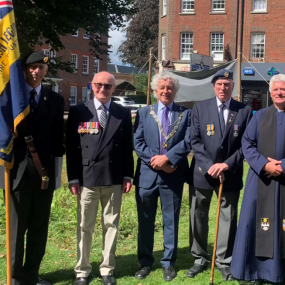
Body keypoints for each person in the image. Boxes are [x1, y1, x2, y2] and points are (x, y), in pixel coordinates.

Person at [230, 74, 285, 283]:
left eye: (283, 89)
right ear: (270, 93)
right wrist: (264, 165)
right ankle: (253, 270)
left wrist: (284, 166)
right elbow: (247, 144)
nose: (279, 93)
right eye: (275, 89)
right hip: (260, 180)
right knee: (256, 222)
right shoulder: (258, 117)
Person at [0, 52, 64, 285]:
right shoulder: (8, 99)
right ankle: (15, 277)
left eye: (41, 68)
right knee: (17, 228)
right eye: (32, 67)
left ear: (46, 72)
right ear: (24, 70)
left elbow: (59, 141)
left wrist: (56, 176)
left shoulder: (55, 100)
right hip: (15, 172)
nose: (36, 71)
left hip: (43, 173)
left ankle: (32, 274)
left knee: (39, 226)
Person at [66, 71, 134, 285]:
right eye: (98, 85)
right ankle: (82, 270)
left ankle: (107, 269)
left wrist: (127, 175)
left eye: (107, 86)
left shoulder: (122, 112)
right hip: (86, 179)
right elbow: (72, 148)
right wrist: (73, 178)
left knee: (111, 224)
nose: (102, 89)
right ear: (91, 86)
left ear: (114, 89)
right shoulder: (78, 111)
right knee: (85, 226)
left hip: (113, 177)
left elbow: (126, 148)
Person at [188, 69, 252, 281]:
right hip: (203, 173)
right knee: (198, 215)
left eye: (227, 84)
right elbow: (195, 141)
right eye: (219, 84)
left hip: (230, 173)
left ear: (233, 86)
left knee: (228, 217)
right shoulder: (200, 108)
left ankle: (224, 260)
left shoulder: (244, 111)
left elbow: (247, 143)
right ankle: (200, 258)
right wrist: (210, 166)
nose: (223, 88)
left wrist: (226, 165)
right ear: (213, 86)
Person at [133, 71, 191, 281]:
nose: (166, 91)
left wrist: (168, 160)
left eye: (170, 88)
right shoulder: (143, 113)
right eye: (162, 88)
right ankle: (145, 262)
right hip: (147, 176)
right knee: (145, 221)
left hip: (173, 174)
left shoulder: (186, 114)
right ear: (155, 91)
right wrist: (156, 161)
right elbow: (138, 142)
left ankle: (168, 263)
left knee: (171, 220)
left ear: (175, 91)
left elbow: (188, 141)